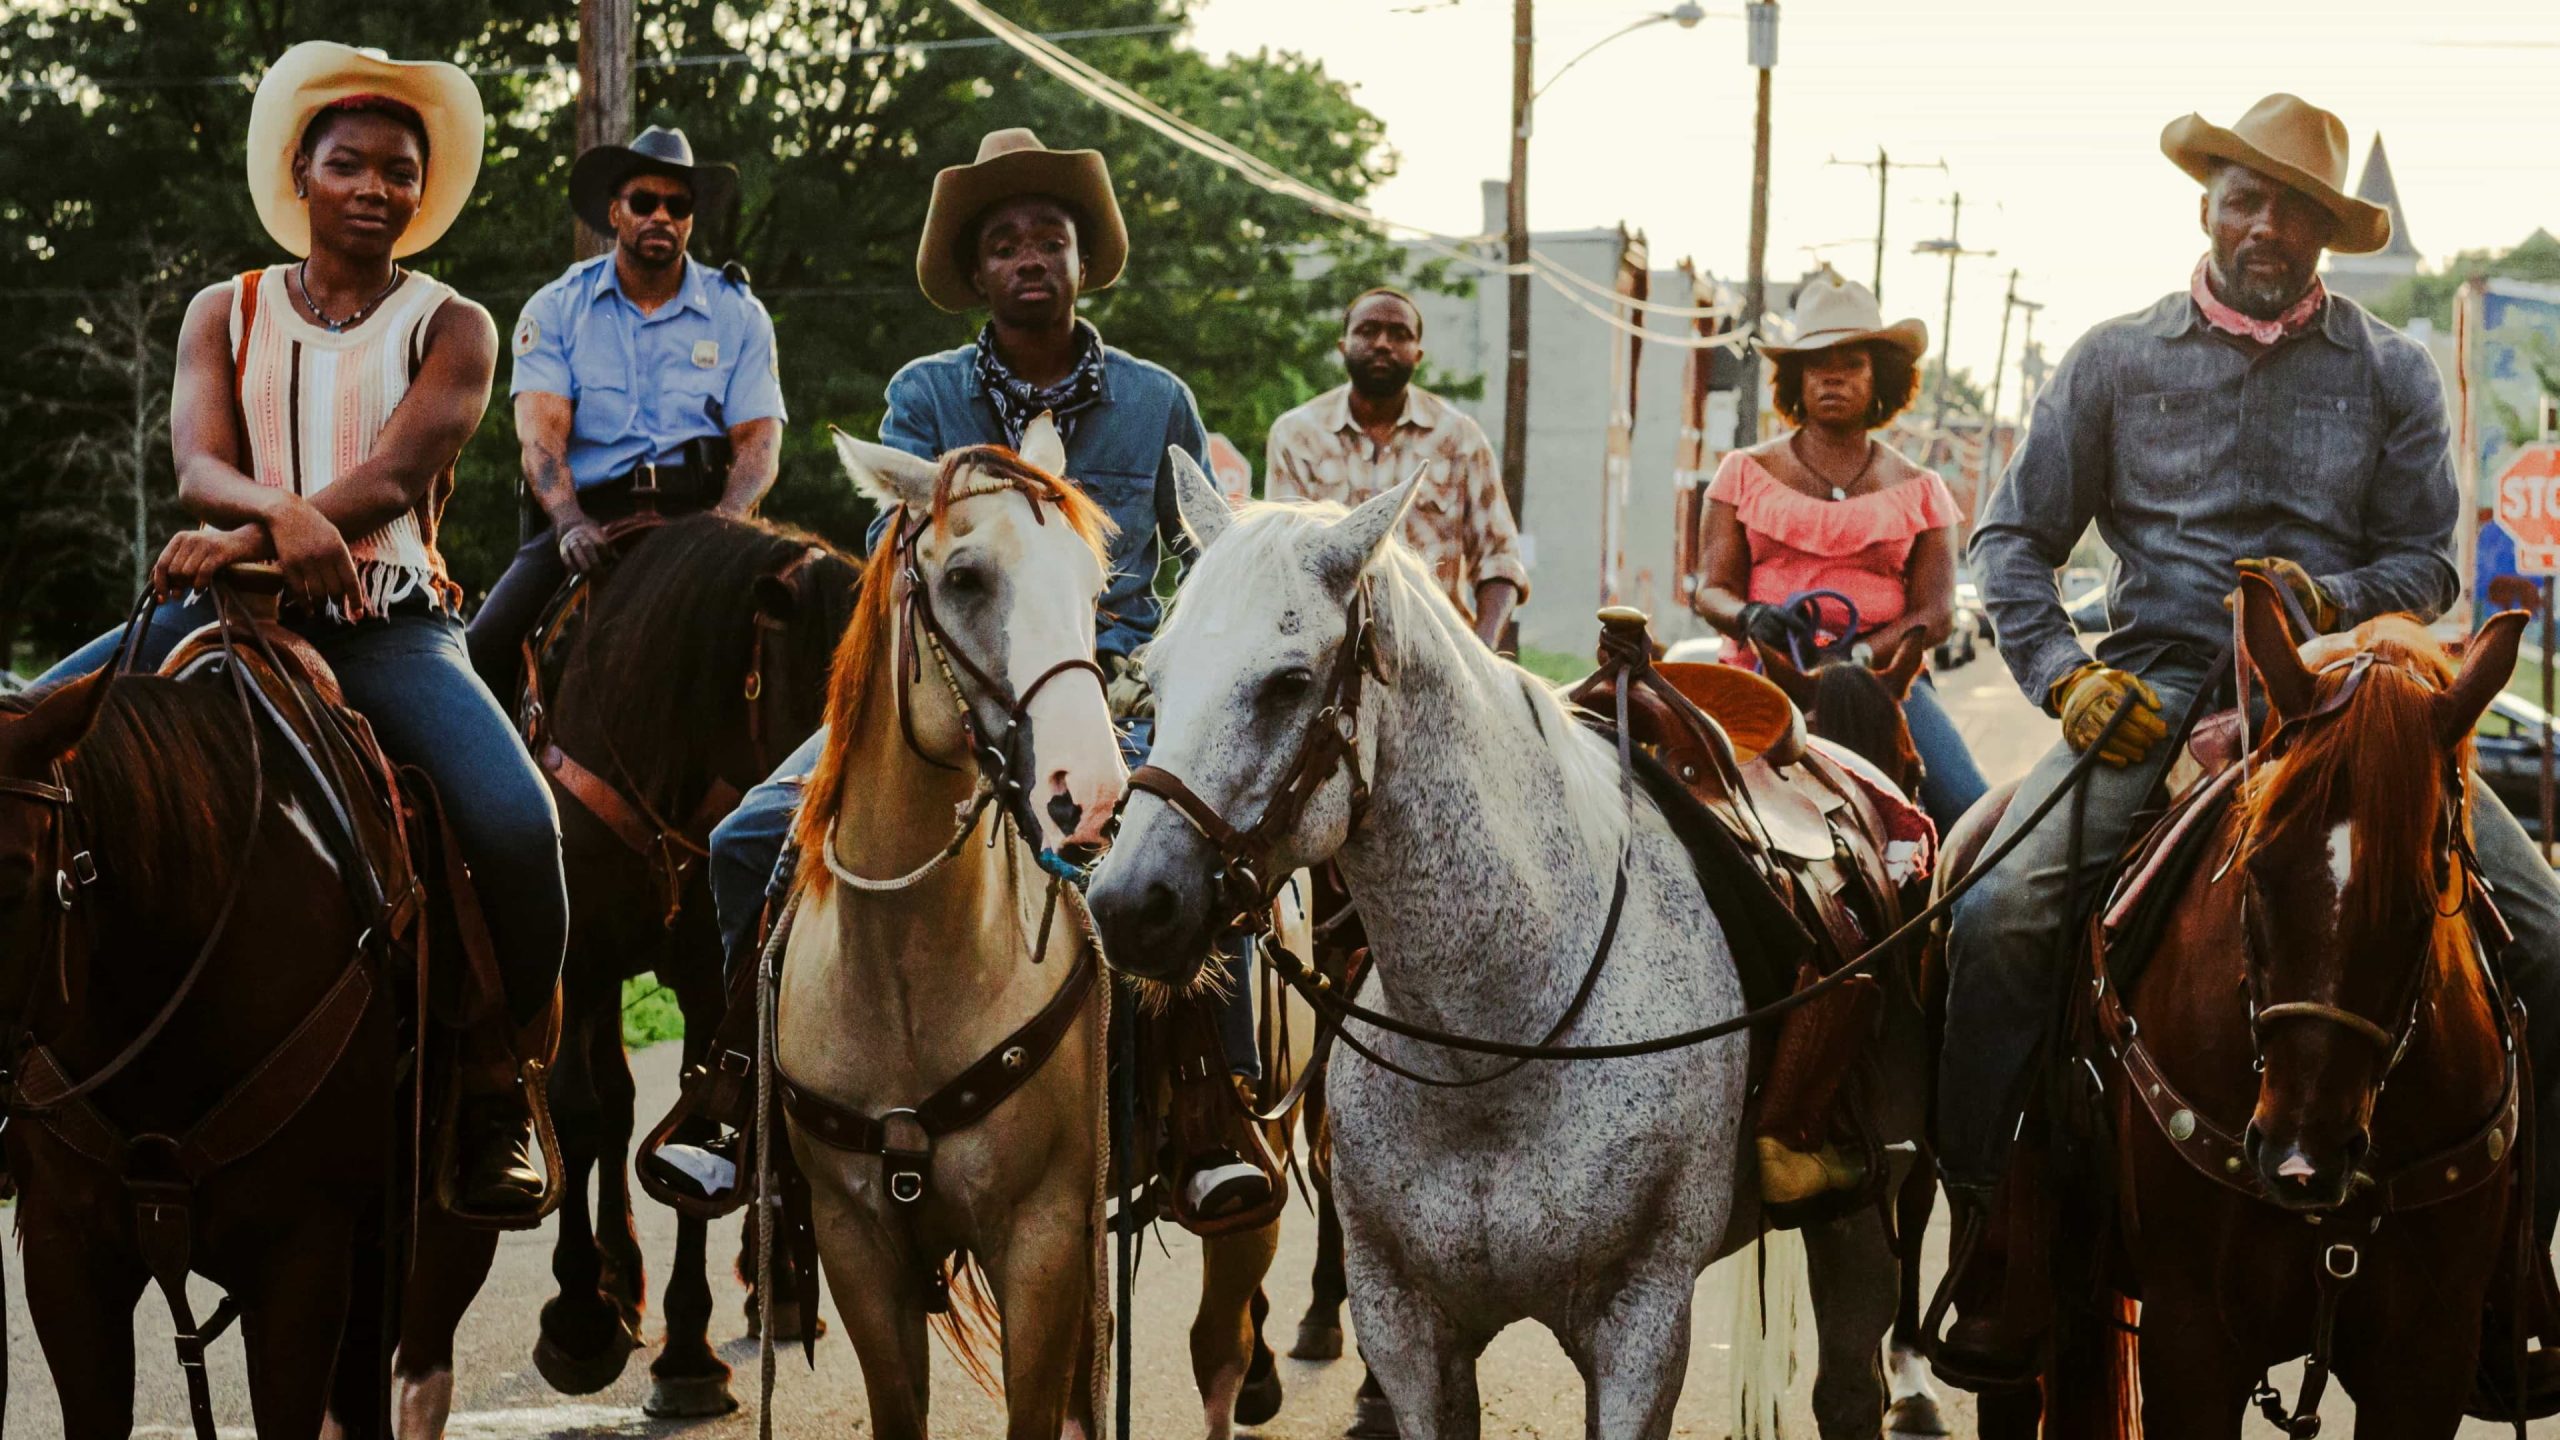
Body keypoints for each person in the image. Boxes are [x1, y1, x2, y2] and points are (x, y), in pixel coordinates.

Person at [1943, 92, 2560, 1409]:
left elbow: (2429, 564)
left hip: (2350, 692)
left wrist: (2327, 607)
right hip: (2156, 682)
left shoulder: (2391, 372)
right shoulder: (2112, 360)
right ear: (2207, 205)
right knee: (1997, 916)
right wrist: (2065, 677)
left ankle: (2516, 1271)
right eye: (2246, 199)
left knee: (2551, 946)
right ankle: (1996, 1237)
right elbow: (2011, 543)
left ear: (2328, 234)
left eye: (2297, 210)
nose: (2267, 226)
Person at [656, 129, 1271, 1220]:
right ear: (977, 273)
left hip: (1105, 687)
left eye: (1050, 238)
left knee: (1192, 852)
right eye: (1004, 243)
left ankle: (1207, 1111)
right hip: (947, 686)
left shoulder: (1157, 401)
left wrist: (1173, 675)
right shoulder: (925, 396)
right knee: (750, 836)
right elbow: (889, 555)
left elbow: (1204, 557)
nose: (1029, 256)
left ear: (1082, 262)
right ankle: (731, 1091)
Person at [37, 42, 566, 1214]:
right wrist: (272, 526)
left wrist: (261, 532)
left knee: (519, 826)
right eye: (348, 164)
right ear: (301, 175)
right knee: (21, 746)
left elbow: (395, 476)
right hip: (215, 606)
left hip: (386, 626)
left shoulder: (456, 324)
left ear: (421, 191)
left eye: (399, 171)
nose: (375, 188)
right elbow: (197, 465)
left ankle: (498, 1085)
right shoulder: (222, 309)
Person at [463, 125, 783, 699]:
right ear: (615, 212)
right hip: (591, 519)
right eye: (644, 201)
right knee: (481, 651)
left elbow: (759, 442)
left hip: (702, 516)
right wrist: (568, 522)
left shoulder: (739, 313)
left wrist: (728, 522)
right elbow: (541, 441)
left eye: (677, 205)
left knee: (800, 642)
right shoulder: (556, 308)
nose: (661, 216)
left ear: (691, 220)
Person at [1691, 271, 1988, 830]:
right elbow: (1712, 590)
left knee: (1972, 811)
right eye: (1815, 364)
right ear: (1796, 378)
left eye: (1851, 363)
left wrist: (1858, 658)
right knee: (1682, 808)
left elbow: (1937, 613)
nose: (1832, 376)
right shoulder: (1742, 473)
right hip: (1761, 672)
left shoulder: (1922, 489)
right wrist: (1749, 616)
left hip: (1882, 685)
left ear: (1881, 377)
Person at [1265, 288, 1527, 647]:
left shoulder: (1458, 437)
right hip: (1332, 651)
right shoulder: (1297, 435)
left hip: (1437, 651)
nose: (1383, 344)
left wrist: (1481, 653)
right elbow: (1285, 562)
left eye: (1399, 334)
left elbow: (1500, 560)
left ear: (1418, 353)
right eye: (1367, 331)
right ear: (1343, 345)